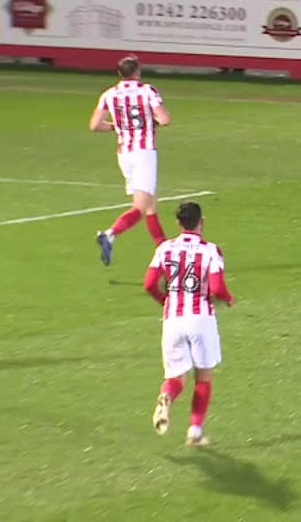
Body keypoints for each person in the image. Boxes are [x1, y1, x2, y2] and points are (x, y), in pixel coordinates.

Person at [144, 201, 234, 446]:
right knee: (203, 377)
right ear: (201, 222)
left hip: (173, 319)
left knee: (175, 377)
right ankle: (194, 431)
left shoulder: (164, 248)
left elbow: (149, 283)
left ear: (178, 224)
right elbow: (216, 287)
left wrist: (166, 301)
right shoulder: (210, 251)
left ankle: (166, 398)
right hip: (200, 318)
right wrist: (227, 298)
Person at [89, 55, 172, 266]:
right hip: (144, 152)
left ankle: (164, 252)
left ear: (119, 74)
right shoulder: (147, 91)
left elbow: (95, 125)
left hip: (124, 153)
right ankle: (109, 235)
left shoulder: (109, 94)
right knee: (141, 208)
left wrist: (117, 127)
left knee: (151, 205)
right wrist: (148, 123)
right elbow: (165, 119)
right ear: (138, 72)